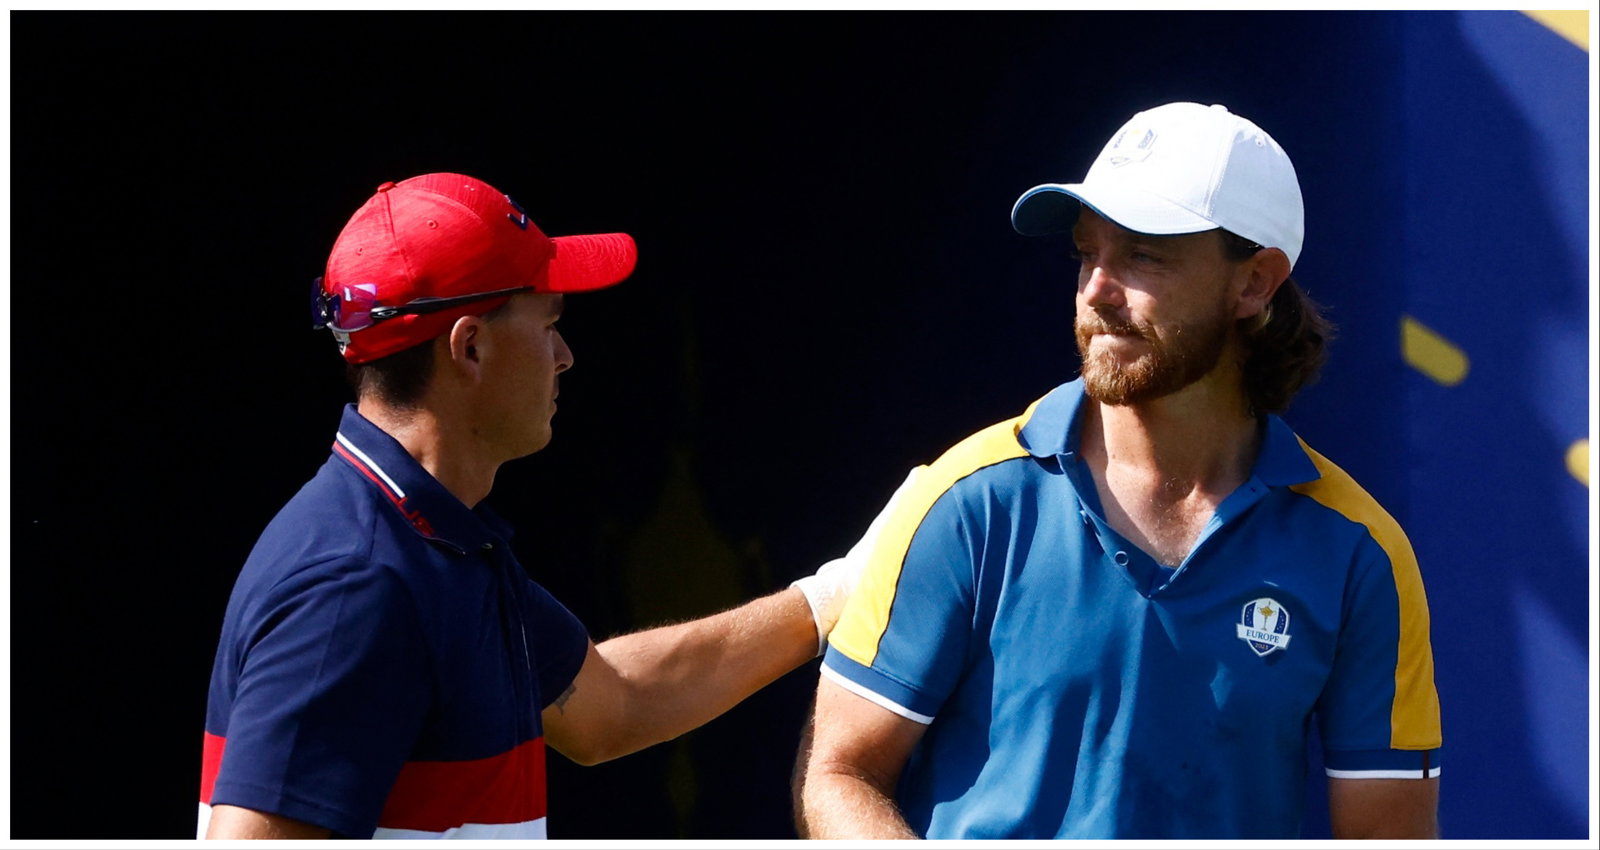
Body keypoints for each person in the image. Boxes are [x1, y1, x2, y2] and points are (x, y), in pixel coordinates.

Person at [795, 102, 1442, 839]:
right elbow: (839, 774)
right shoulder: (968, 498)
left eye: (1143, 255)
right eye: (1086, 254)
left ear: (1256, 283)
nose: (1097, 290)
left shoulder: (1361, 552)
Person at [199, 172, 910, 840]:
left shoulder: (437, 540)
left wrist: (839, 593)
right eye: (548, 324)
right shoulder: (357, 583)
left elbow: (615, 703)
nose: (565, 355)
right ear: (470, 348)